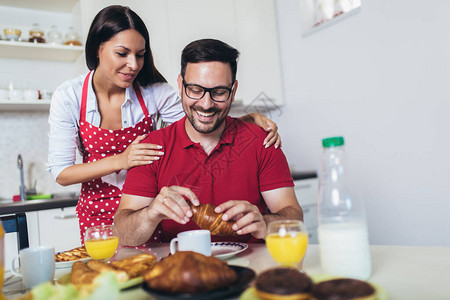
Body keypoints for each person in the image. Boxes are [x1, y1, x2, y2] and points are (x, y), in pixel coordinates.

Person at [47, 6, 281, 244]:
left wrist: (244, 122)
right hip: (98, 211)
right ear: (98, 48)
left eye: (140, 55)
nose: (134, 65)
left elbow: (200, 115)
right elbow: (61, 173)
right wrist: (121, 160)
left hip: (145, 209)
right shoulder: (70, 96)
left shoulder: (153, 92)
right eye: (122, 53)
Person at [115, 38, 303, 247]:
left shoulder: (261, 141)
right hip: (179, 270)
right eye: (195, 90)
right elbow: (122, 234)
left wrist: (266, 223)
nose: (206, 104)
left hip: (253, 267)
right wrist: (150, 214)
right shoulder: (152, 148)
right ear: (180, 85)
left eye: (219, 92)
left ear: (233, 91)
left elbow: (294, 217)